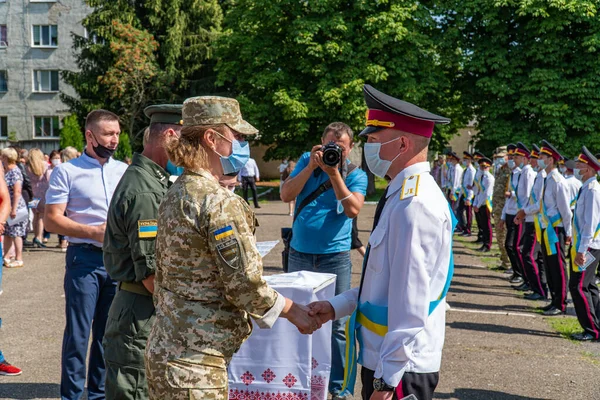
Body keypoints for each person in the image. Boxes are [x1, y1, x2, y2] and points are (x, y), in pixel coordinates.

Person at [145, 96, 319, 399]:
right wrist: (293, 311)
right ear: (212, 138)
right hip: (196, 365)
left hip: (169, 351)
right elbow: (245, 284)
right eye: (237, 136)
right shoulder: (218, 201)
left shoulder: (176, 191)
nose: (241, 143)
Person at [308, 84, 454, 400]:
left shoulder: (415, 204)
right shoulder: (400, 194)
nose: (368, 149)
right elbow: (383, 283)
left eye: (373, 141)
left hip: (400, 370)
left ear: (401, 144)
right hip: (385, 360)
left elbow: (411, 303)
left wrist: (386, 382)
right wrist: (335, 307)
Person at [280, 121, 368, 399]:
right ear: (320, 143)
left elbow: (353, 210)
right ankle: (297, 378)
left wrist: (333, 174)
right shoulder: (307, 161)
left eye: (340, 147)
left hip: (335, 257)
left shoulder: (356, 174)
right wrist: (310, 167)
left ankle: (338, 388)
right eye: (329, 145)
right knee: (297, 318)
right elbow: (285, 194)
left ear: (351, 147)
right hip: (300, 252)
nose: (334, 151)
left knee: (337, 326)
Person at [45, 109, 128, 400]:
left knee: (108, 335)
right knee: (78, 336)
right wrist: (92, 232)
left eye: (117, 133)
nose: (114, 139)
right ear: (90, 135)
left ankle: (97, 395)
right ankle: (70, 396)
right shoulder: (67, 171)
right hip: (85, 259)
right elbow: (52, 220)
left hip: (116, 262)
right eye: (108, 133)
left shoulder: (124, 171)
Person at [102, 105, 183, 400]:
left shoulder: (151, 180)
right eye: (186, 141)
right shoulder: (145, 190)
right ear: (171, 135)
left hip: (142, 310)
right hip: (142, 313)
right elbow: (151, 274)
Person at [536, 140, 572, 316]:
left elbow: (566, 211)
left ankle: (561, 303)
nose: (539, 159)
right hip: (546, 227)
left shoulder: (558, 181)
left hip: (556, 230)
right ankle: (553, 300)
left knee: (557, 266)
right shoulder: (547, 179)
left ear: (550, 160)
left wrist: (569, 233)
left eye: (542, 156)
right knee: (549, 266)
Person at [568, 147, 600, 341]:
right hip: (586, 246)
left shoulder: (593, 191)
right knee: (589, 285)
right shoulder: (586, 188)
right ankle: (596, 324)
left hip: (589, 247)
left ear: (588, 169)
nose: (576, 168)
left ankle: (591, 330)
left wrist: (581, 250)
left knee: (578, 286)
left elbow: (591, 223)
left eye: (579, 165)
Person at [514, 144, 548, 300]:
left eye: (538, 158)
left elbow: (537, 202)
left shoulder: (540, 176)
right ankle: (535, 285)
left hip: (535, 221)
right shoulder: (538, 175)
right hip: (530, 218)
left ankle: (539, 289)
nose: (536, 161)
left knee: (529, 254)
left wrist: (524, 212)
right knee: (531, 255)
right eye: (536, 158)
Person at [509, 143, 536, 292]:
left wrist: (522, 213)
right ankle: (526, 280)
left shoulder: (528, 173)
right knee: (519, 248)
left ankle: (527, 279)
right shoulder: (522, 172)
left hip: (526, 215)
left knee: (521, 248)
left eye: (517, 156)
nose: (515, 159)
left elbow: (527, 196)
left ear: (524, 158)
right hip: (523, 213)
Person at [500, 144, 524, 281]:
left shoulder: (522, 174)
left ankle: (520, 273)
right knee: (509, 245)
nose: (512, 159)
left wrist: (512, 194)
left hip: (517, 213)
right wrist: (503, 216)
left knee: (513, 245)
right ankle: (516, 272)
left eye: (515, 157)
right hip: (510, 212)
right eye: (511, 157)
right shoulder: (513, 174)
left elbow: (524, 195)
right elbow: (507, 199)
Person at [2, 148, 28, 268]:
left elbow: (17, 191)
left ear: (6, 158)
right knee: (8, 233)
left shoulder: (15, 172)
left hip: (16, 207)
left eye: (2, 156)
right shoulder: (7, 171)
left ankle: (19, 258)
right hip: (9, 207)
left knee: (17, 234)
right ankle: (6, 257)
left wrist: (13, 209)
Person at [25, 148, 52, 248]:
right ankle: (39, 237)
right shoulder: (45, 165)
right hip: (43, 193)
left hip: (32, 194)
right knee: (41, 216)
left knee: (35, 215)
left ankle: (35, 235)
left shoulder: (27, 167)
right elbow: (49, 178)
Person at [492, 147, 511, 269]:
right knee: (499, 236)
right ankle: (505, 261)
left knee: (504, 235)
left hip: (505, 208)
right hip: (498, 207)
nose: (498, 160)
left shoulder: (510, 171)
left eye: (500, 158)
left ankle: (509, 263)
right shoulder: (500, 170)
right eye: (497, 158)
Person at [474, 157, 495, 252]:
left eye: (485, 167)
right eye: (481, 167)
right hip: (480, 203)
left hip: (486, 204)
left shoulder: (490, 178)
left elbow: (487, 194)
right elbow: (478, 191)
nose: (483, 169)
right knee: (482, 224)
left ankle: (488, 244)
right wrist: (476, 203)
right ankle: (484, 242)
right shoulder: (481, 177)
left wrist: (478, 205)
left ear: (489, 167)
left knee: (487, 224)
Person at [457, 151, 476, 236]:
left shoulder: (472, 171)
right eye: (464, 159)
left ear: (470, 160)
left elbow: (471, 184)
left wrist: (469, 198)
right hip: (464, 193)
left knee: (468, 213)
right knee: (459, 210)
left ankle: (468, 230)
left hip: (468, 194)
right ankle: (463, 227)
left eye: (466, 159)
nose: (464, 161)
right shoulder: (466, 170)